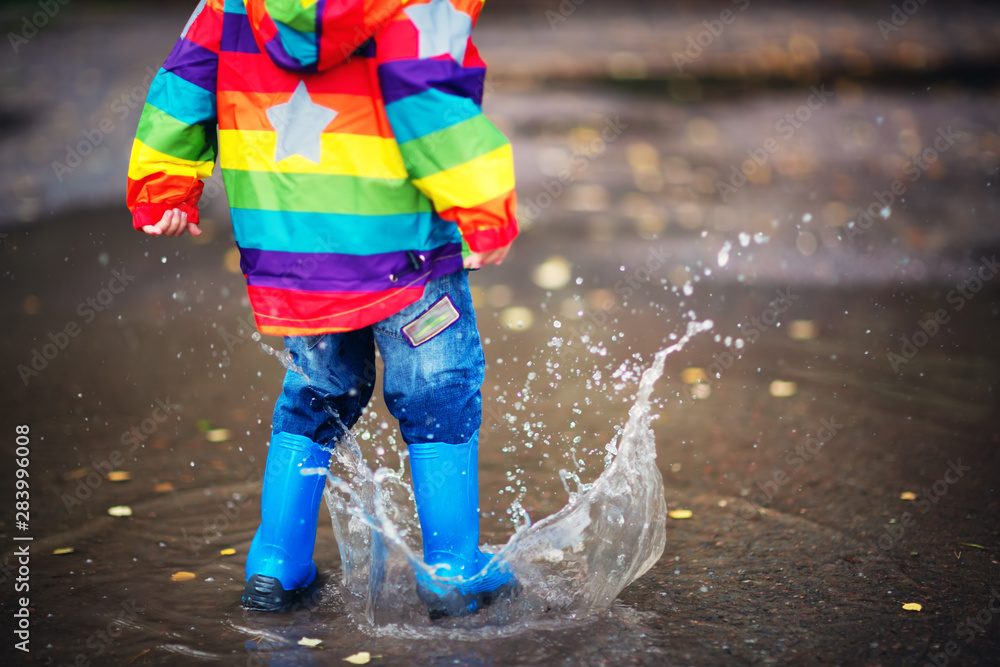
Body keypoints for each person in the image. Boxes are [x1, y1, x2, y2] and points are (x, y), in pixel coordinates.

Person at [126, 0, 518, 617]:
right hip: (405, 250)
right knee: (437, 389)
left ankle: (276, 564)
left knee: (319, 387)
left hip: (295, 256)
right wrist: (483, 206)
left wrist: (165, 184)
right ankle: (451, 571)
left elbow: (185, 83)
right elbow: (429, 100)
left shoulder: (228, 7)